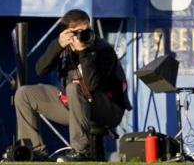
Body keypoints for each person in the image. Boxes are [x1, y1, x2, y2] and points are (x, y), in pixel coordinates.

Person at [13, 9, 129, 162]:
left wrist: (83, 53)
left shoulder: (103, 50)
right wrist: (58, 45)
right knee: (24, 93)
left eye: (86, 30)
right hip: (74, 105)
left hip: (107, 108)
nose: (83, 35)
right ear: (67, 34)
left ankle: (81, 151)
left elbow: (92, 85)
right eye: (77, 32)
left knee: (74, 87)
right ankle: (35, 152)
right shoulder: (63, 48)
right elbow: (40, 69)